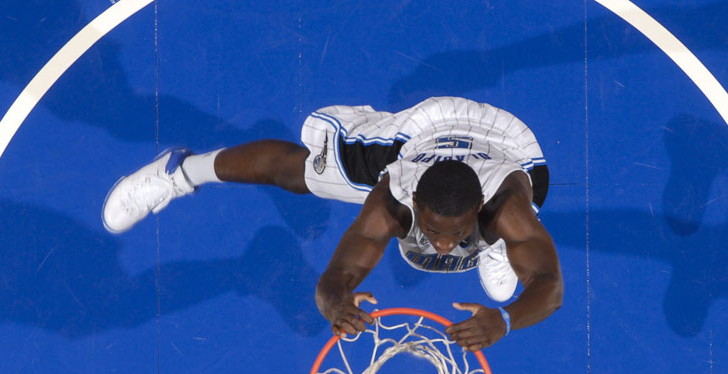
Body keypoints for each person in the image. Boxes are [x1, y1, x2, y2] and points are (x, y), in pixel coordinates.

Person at [102, 96, 562, 350]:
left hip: (505, 143)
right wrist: (334, 304)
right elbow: (335, 277)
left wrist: (505, 320)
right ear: (414, 202)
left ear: (480, 206)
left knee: (515, 258)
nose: (442, 247)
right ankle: (178, 171)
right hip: (426, 131)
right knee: (297, 173)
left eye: (456, 233)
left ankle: (495, 245)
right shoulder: (391, 198)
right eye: (434, 231)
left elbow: (550, 287)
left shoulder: (507, 206)